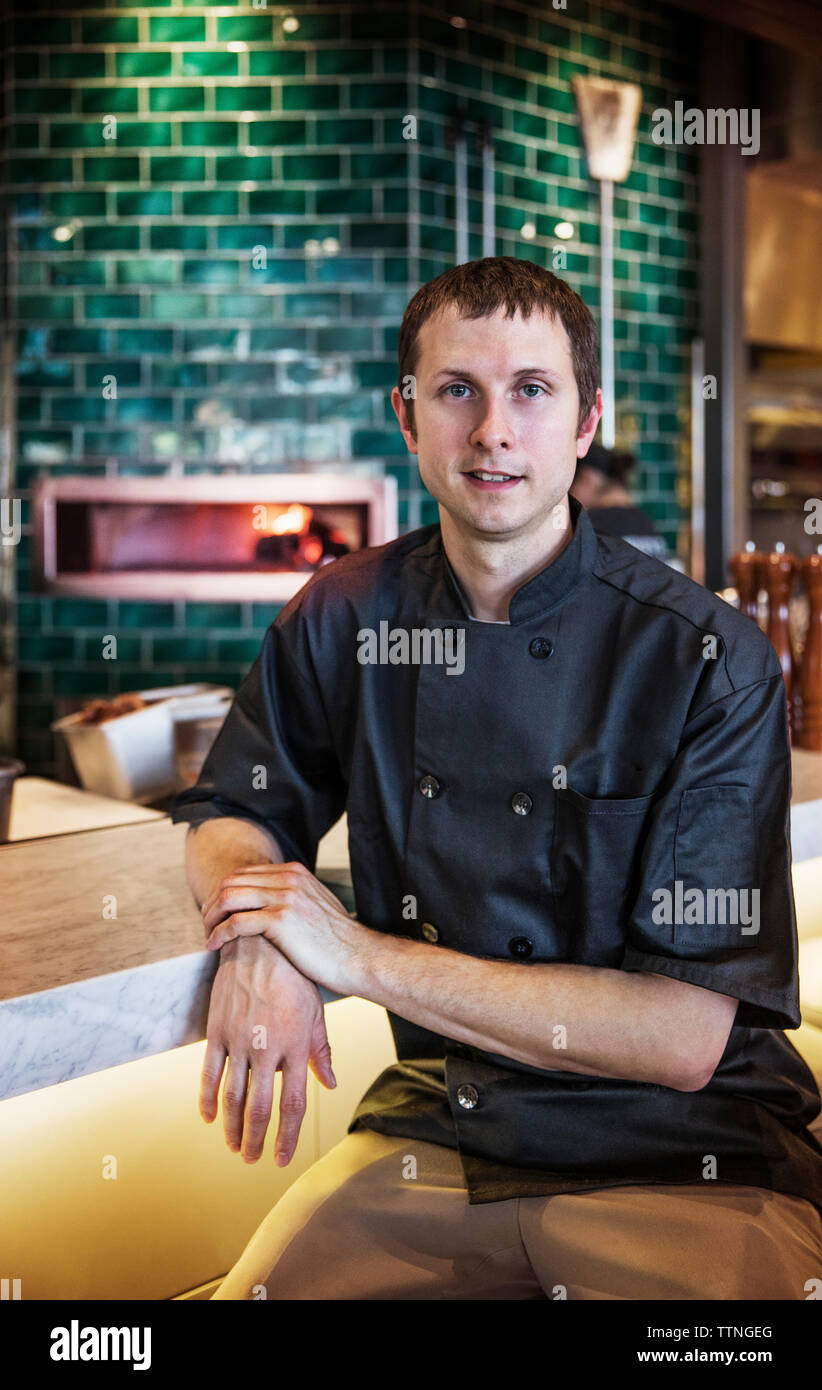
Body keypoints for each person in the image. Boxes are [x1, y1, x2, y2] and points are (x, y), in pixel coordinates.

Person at [171, 256, 822, 1300]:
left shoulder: (709, 657)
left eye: (530, 389)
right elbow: (232, 810)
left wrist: (345, 953)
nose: (491, 432)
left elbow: (683, 1033)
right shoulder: (341, 615)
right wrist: (260, 931)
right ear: (408, 413)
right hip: (444, 1129)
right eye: (457, 389)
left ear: (585, 420)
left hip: (689, 1156)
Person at [570, 441, 670, 561]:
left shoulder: (590, 526)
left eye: (571, 483)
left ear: (587, 478)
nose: (568, 494)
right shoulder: (646, 523)